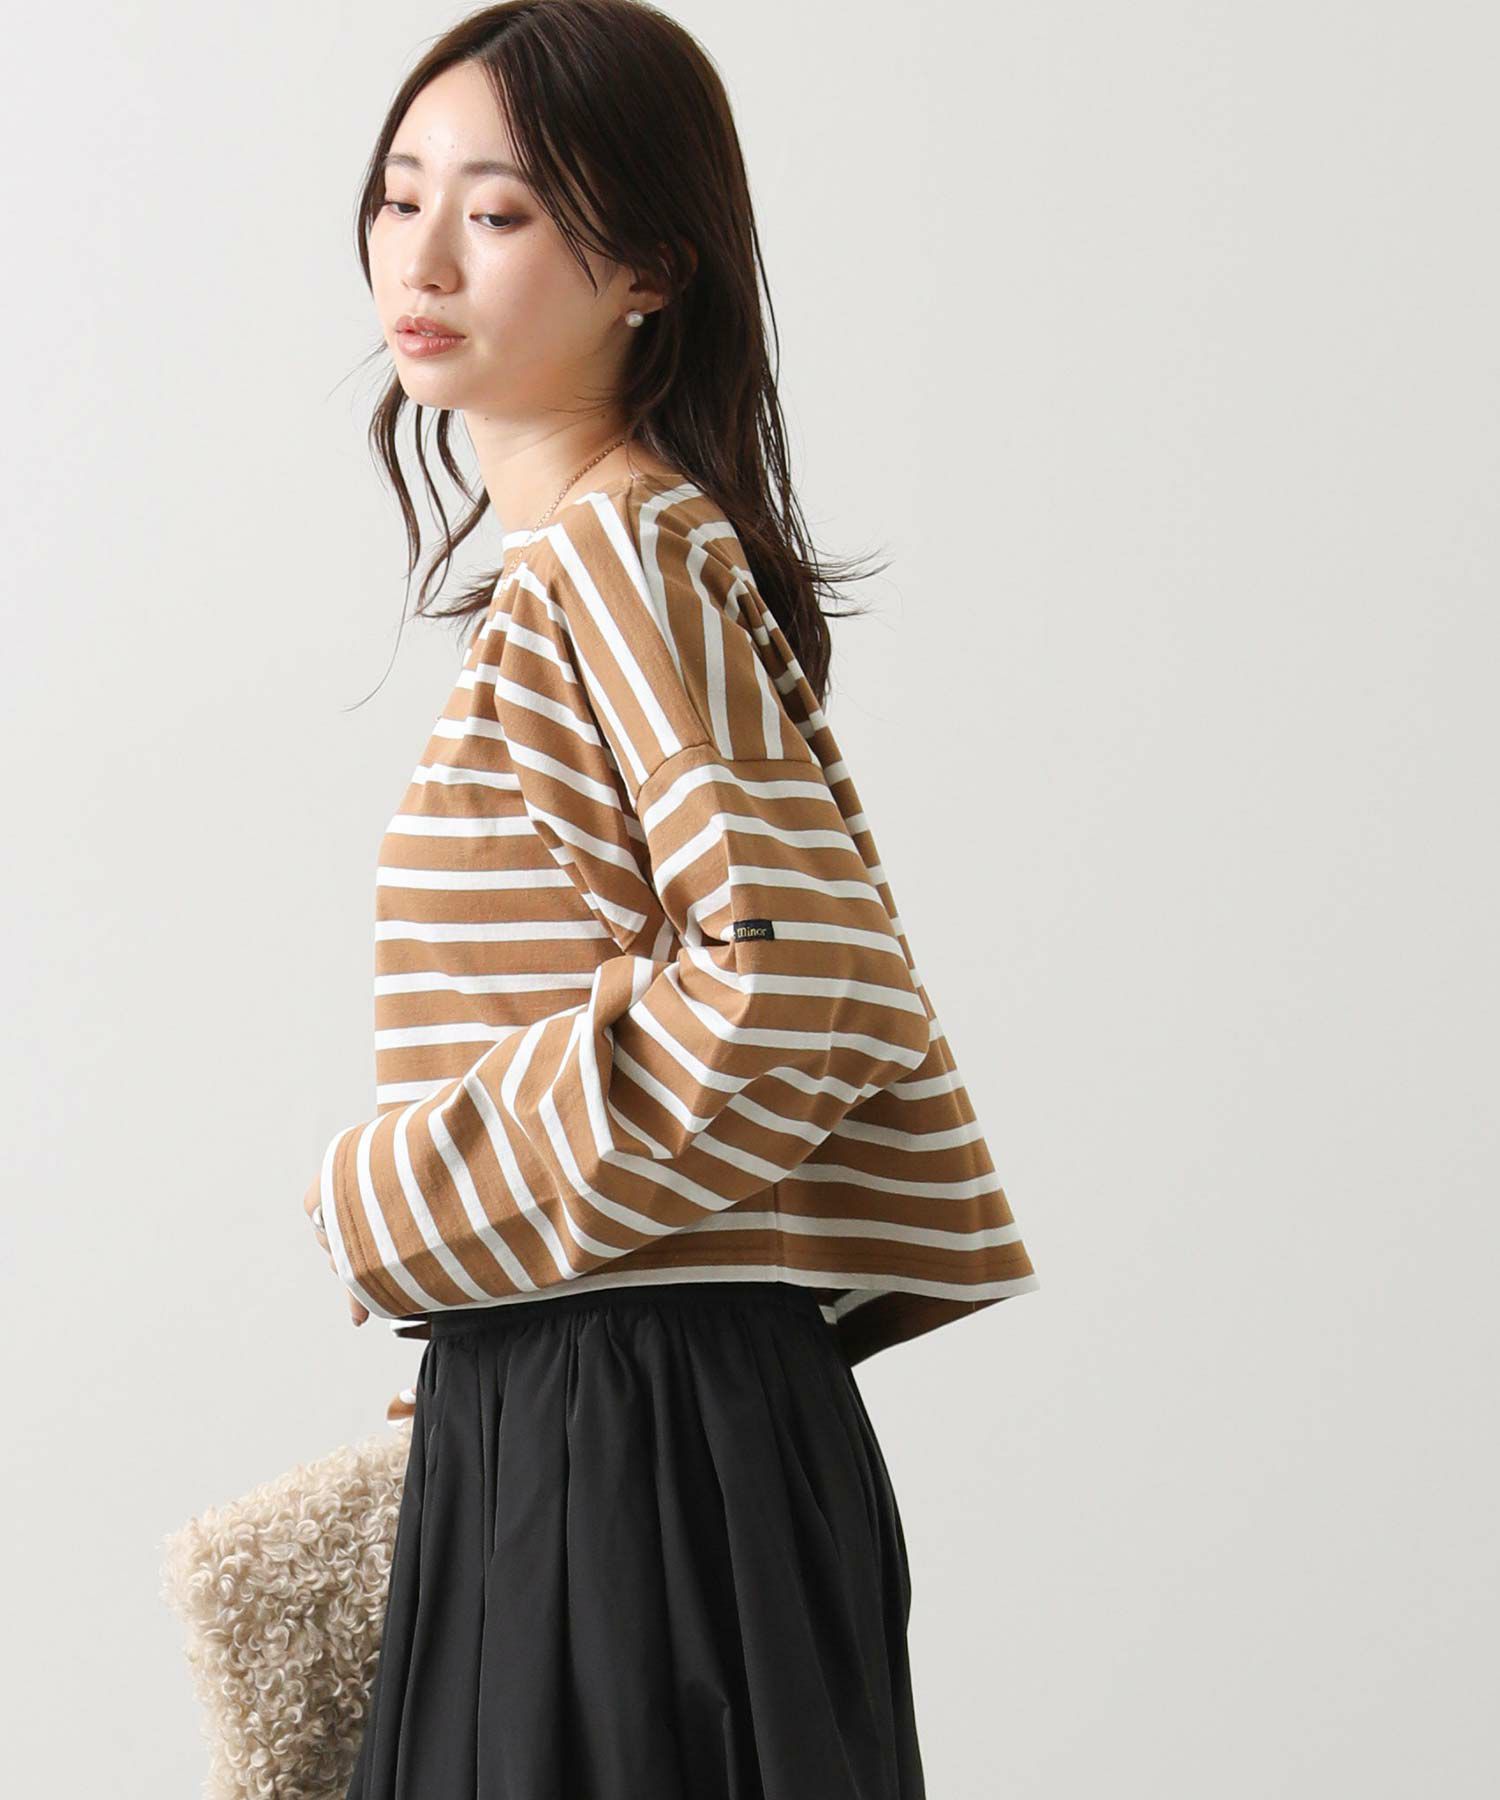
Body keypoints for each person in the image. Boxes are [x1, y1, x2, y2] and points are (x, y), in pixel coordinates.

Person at [301, 3, 1040, 1794]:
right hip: (606, 1401)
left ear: (649, 266)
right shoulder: (593, 561)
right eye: (401, 195)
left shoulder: (616, 554)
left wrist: (393, 1193)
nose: (423, 256)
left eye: (499, 212)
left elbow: (798, 984)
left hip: (628, 1421)